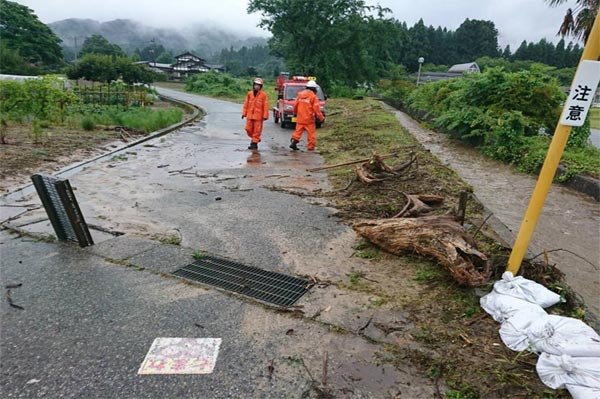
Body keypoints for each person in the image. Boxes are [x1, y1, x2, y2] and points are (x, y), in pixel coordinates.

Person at [289, 80, 325, 151]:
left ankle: (294, 142)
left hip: (300, 118)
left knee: (297, 132)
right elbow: (317, 109)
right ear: (314, 89)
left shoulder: (300, 95)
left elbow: (295, 105)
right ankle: (310, 147)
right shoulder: (313, 97)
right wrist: (321, 118)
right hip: (309, 119)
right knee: (311, 134)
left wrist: (295, 113)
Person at [242, 77, 269, 150]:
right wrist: (244, 113)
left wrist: (265, 116)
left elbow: (266, 106)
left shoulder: (263, 95)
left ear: (261, 86)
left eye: (258, 85)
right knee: (248, 129)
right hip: (250, 116)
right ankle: (255, 139)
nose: (257, 86)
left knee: (257, 131)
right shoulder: (249, 94)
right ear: (253, 85)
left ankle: (254, 143)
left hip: (258, 117)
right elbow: (246, 104)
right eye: (256, 85)